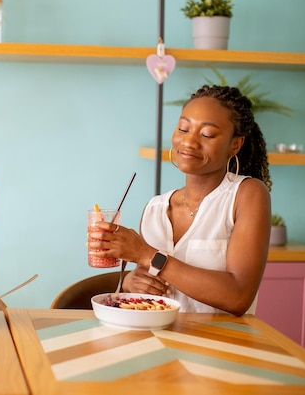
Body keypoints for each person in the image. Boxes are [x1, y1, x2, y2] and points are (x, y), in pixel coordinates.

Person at [88, 85, 272, 316]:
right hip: (159, 340)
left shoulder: (247, 195)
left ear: (235, 144)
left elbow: (238, 297)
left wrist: (147, 254)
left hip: (221, 345)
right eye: (183, 129)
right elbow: (146, 288)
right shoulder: (155, 208)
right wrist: (131, 281)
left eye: (206, 134)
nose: (189, 142)